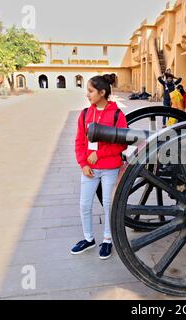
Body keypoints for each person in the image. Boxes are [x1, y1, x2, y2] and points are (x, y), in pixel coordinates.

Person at [72, 74, 128, 259]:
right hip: (90, 168)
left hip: (110, 167)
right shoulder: (85, 114)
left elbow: (122, 143)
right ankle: (88, 239)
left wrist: (100, 154)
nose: (87, 95)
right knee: (84, 204)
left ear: (102, 93)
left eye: (90, 91)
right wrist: (83, 163)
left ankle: (107, 239)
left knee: (108, 205)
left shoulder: (117, 114)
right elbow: (79, 141)